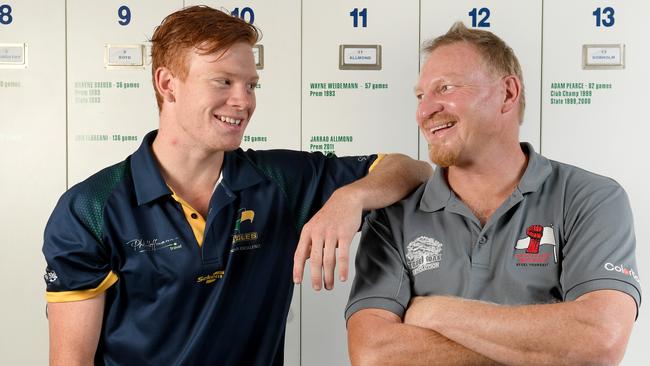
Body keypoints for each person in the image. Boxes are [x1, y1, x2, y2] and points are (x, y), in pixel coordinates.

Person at [42, 6, 431, 366]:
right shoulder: (91, 208)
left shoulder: (281, 181)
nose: (243, 101)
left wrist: (351, 197)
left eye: (251, 85)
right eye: (223, 81)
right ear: (167, 83)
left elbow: (411, 169)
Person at [346, 22, 641, 366]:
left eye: (445, 88)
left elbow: (598, 342)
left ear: (507, 94)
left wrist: (436, 311)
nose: (424, 112)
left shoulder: (590, 198)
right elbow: (373, 353)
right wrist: (543, 347)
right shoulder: (394, 215)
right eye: (420, 96)